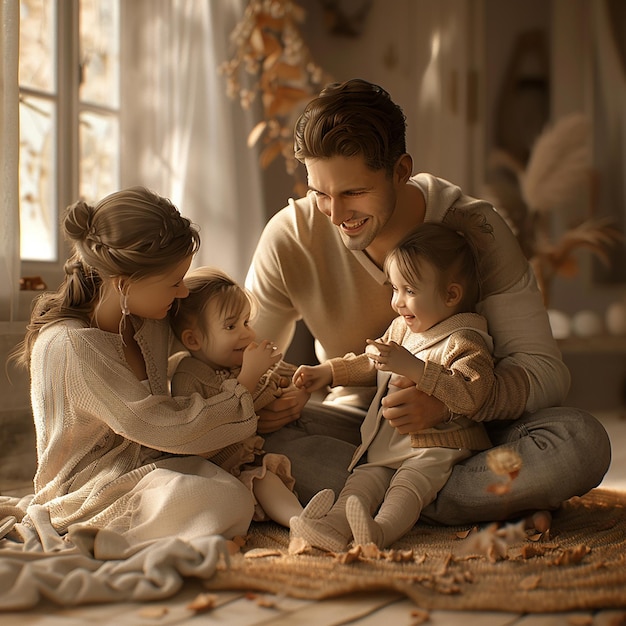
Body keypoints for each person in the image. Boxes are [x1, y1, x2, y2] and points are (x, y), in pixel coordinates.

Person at [245, 78, 611, 528]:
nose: (336, 216)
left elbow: (544, 372)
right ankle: (459, 499)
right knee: (260, 442)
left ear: (400, 170)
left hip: (476, 438)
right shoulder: (290, 237)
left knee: (579, 442)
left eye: (353, 193)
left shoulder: (475, 230)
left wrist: (446, 404)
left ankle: (399, 500)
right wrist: (272, 397)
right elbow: (243, 363)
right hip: (362, 431)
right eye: (320, 193)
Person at [10, 186, 256, 547]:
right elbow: (159, 425)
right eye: (175, 282)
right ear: (124, 284)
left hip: (147, 467)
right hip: (89, 490)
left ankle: (146, 531)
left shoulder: (147, 320)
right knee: (220, 496)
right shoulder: (72, 346)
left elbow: (207, 332)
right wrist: (243, 392)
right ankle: (107, 541)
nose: (183, 292)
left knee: (230, 485)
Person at [289, 213, 498, 551]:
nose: (398, 301)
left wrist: (415, 368)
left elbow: (472, 394)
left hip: (436, 447)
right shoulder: (401, 328)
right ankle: (333, 525)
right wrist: (328, 372)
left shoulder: (465, 339)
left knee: (407, 487)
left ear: (451, 295)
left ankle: (380, 532)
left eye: (410, 290)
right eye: (395, 289)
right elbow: (370, 362)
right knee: (362, 481)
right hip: (388, 441)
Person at [169, 266, 303, 527]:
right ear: (193, 340)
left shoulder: (235, 361)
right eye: (231, 326)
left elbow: (277, 375)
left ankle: (308, 519)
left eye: (246, 322)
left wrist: (301, 379)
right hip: (223, 468)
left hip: (258, 450)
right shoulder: (188, 377)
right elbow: (205, 428)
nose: (247, 334)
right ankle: (301, 522)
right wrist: (250, 377)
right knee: (264, 480)